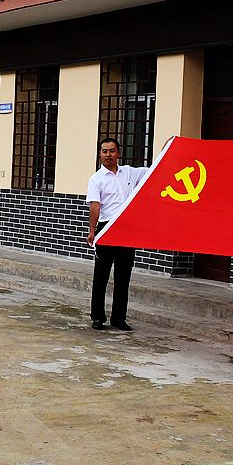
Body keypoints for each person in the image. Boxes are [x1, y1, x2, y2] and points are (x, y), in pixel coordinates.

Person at [86, 137, 148, 331]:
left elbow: (154, 170)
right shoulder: (96, 179)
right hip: (106, 229)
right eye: (104, 151)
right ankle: (98, 317)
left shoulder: (129, 172)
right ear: (99, 154)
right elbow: (95, 206)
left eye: (112, 151)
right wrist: (92, 231)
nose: (108, 155)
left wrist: (167, 148)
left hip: (126, 231)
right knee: (101, 276)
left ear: (118, 153)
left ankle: (119, 318)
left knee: (123, 277)